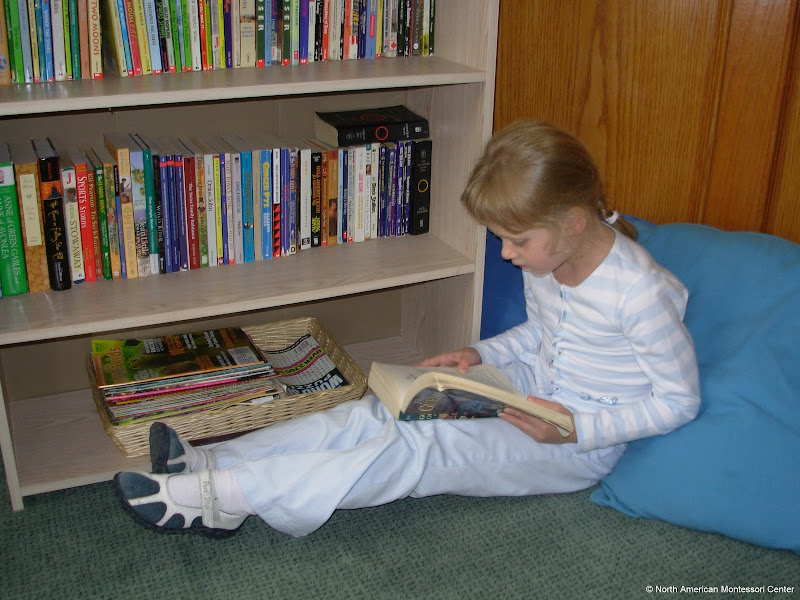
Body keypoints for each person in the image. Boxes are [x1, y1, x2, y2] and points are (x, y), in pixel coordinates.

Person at [113, 120, 701, 537]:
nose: (507, 254)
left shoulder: (639, 294)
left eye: (516, 241)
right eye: (501, 239)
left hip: (575, 442)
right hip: (528, 387)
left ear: (573, 222)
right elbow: (537, 333)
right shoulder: (548, 259)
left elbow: (679, 402)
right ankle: (212, 462)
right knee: (379, 412)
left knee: (419, 444)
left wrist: (575, 429)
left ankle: (225, 499)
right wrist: (478, 354)